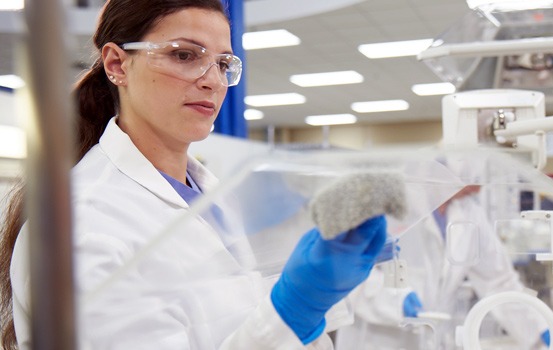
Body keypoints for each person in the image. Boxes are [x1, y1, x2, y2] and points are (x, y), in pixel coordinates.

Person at [0, 1, 386, 349]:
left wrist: (320, 298)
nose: (213, 81)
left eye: (222, 63)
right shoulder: (82, 222)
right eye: (185, 55)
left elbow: (233, 317)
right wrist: (292, 311)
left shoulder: (210, 196)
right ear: (117, 64)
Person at [336, 163, 553, 349]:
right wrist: (396, 301)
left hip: (431, 339)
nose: (483, 184)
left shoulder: (469, 211)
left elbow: (498, 281)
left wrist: (542, 329)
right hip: (375, 340)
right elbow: (347, 271)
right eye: (480, 171)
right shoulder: (390, 199)